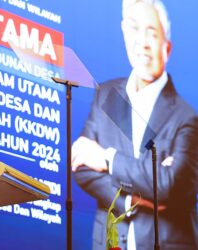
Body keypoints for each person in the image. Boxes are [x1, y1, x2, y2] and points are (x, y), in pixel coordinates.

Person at [72, 0, 198, 249]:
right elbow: (82, 167)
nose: (143, 43)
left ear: (167, 47)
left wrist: (107, 159)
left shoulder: (186, 117)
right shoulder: (108, 96)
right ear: (124, 33)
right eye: (134, 29)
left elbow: (167, 185)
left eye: (152, 33)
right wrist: (132, 200)